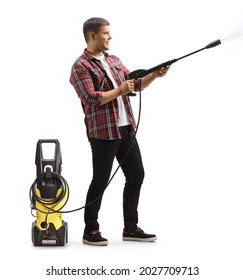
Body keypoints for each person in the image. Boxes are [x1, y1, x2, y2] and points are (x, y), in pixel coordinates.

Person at [69, 17, 169, 246]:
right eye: (105, 33)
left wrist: (154, 74)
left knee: (136, 175)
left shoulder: (114, 60)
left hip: (126, 129)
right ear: (92, 36)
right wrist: (120, 89)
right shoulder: (80, 66)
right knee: (101, 180)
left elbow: (135, 84)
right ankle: (90, 230)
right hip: (103, 133)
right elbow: (91, 99)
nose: (110, 37)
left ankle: (131, 228)